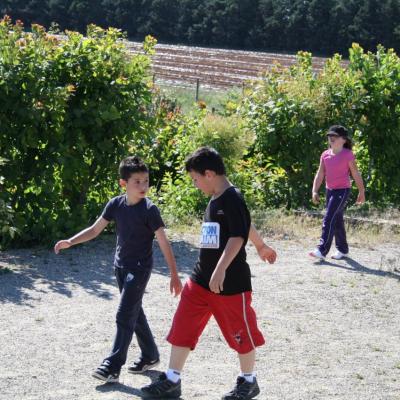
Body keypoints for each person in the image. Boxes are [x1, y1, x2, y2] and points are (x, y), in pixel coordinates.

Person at [140, 147, 277, 400]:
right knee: (183, 325)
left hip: (230, 284)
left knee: (241, 333)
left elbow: (238, 235)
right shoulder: (216, 196)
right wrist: (260, 245)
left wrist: (221, 269)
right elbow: (245, 224)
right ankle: (172, 380)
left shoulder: (232, 197)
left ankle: (248, 381)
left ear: (210, 174)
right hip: (201, 279)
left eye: (195, 179)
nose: (195, 184)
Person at [54, 156, 182, 383]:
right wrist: (71, 241)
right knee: (134, 311)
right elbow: (95, 230)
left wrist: (174, 274)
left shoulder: (150, 210)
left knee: (124, 314)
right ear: (123, 183)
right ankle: (150, 355)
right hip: (120, 267)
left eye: (146, 181)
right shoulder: (115, 204)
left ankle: (112, 366)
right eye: (137, 181)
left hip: (139, 269)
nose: (143, 186)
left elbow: (163, 242)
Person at [309, 125, 365, 260]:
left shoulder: (347, 155)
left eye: (335, 136)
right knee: (337, 219)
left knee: (329, 218)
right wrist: (314, 190)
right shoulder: (325, 155)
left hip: (342, 190)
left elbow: (355, 173)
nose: (331, 138)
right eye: (330, 135)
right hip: (330, 190)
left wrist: (361, 191)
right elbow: (320, 173)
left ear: (343, 140)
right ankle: (343, 250)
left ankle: (322, 250)